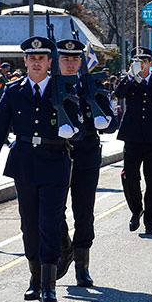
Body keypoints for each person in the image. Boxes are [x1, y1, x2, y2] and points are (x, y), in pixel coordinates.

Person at [0, 36, 77, 302]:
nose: (36, 63)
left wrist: (73, 130)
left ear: (50, 62)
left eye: (41, 59)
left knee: (49, 223)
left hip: (55, 161)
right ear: (25, 62)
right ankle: (35, 279)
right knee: (29, 225)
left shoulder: (63, 89)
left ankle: (49, 285)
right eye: (32, 59)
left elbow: (80, 122)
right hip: (24, 163)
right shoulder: (13, 91)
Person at [56, 39, 114, 286]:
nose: (70, 64)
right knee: (54, 210)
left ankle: (82, 265)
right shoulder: (52, 86)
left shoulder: (91, 85)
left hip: (87, 152)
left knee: (84, 211)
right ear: (57, 61)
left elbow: (110, 121)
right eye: (65, 59)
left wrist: (104, 117)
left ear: (81, 61)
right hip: (57, 154)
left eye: (74, 59)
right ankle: (65, 247)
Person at [115, 47, 152, 235]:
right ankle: (136, 210)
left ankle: (150, 222)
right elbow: (119, 93)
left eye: (144, 61)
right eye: (137, 61)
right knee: (129, 176)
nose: (140, 65)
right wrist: (130, 77)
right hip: (132, 138)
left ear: (150, 63)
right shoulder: (130, 82)